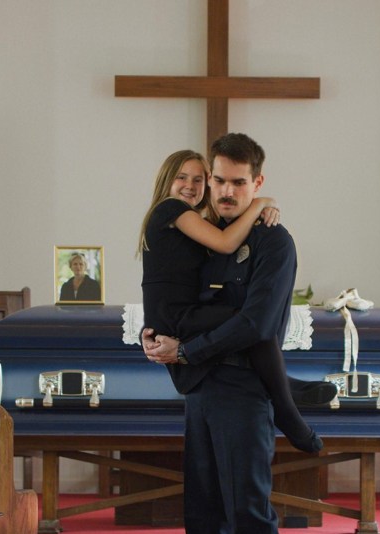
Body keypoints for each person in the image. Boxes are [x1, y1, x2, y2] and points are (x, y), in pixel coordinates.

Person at [142, 133, 300, 534]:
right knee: (203, 513)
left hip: (243, 388)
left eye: (239, 182)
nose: (226, 190)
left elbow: (258, 324)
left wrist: (185, 350)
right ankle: (293, 390)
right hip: (200, 387)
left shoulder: (272, 239)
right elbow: (171, 294)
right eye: (219, 180)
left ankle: (289, 398)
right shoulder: (203, 234)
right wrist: (153, 334)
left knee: (247, 512)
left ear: (256, 182)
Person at [138, 148, 330, 453]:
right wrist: (261, 203)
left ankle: (285, 387)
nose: (190, 185)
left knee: (254, 324)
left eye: (198, 179)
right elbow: (227, 243)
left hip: (177, 313)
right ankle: (286, 408)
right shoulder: (170, 209)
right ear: (166, 180)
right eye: (181, 177)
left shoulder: (194, 220)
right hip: (176, 316)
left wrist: (257, 211)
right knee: (253, 322)